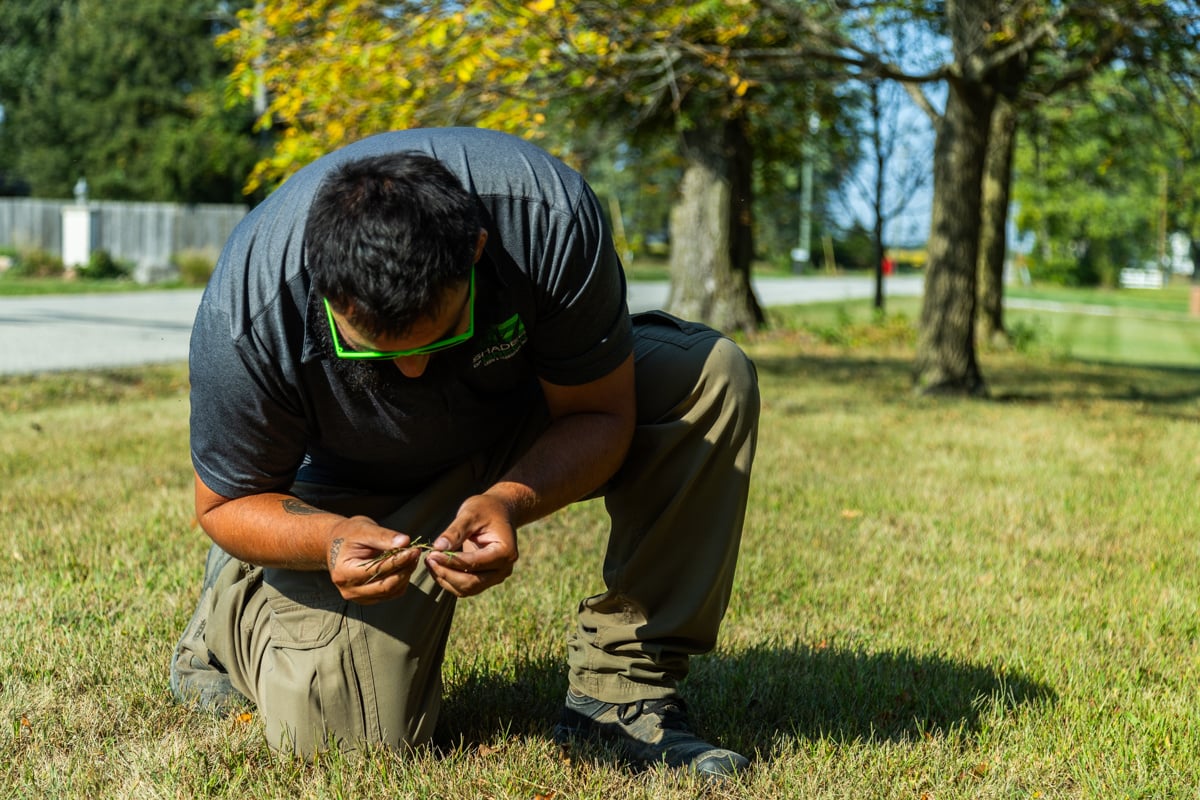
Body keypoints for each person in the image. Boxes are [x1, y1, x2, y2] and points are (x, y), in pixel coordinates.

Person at [170, 127, 760, 778]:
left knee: (709, 377)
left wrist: (510, 499)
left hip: (519, 415)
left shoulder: (549, 218)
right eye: (381, 351)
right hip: (357, 479)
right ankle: (227, 619)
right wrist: (332, 538)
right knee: (351, 743)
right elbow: (226, 501)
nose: (417, 371)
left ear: (476, 250)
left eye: (442, 332)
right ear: (326, 291)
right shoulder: (249, 306)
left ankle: (622, 694)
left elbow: (601, 411)